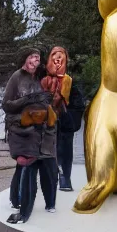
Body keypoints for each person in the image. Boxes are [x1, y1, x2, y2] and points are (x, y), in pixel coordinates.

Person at [3, 47, 58, 224]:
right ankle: (20, 204)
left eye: (37, 58)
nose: (35, 60)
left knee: (49, 167)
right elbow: (7, 105)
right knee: (26, 168)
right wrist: (28, 100)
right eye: (32, 57)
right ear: (25, 60)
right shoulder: (17, 77)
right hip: (24, 131)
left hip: (44, 131)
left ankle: (50, 203)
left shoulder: (43, 77)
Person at [41, 46, 85, 192]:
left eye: (61, 56)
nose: (58, 59)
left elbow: (78, 104)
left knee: (65, 151)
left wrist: (68, 117)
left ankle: (65, 178)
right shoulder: (42, 80)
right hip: (46, 123)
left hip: (64, 124)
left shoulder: (70, 82)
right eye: (54, 55)